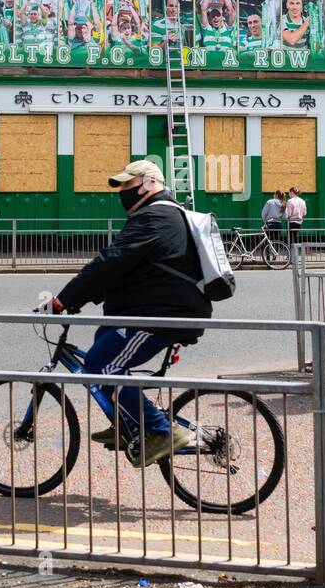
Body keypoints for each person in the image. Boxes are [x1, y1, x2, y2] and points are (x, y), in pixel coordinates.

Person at [47, 160, 211, 467]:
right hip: (156, 308)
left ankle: (162, 431)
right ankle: (127, 421)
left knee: (100, 363)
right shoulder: (160, 214)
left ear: (150, 183)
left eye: (127, 185)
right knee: (103, 336)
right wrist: (80, 299)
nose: (123, 192)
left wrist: (65, 299)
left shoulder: (157, 216)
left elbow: (112, 261)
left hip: (162, 314)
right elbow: (124, 271)